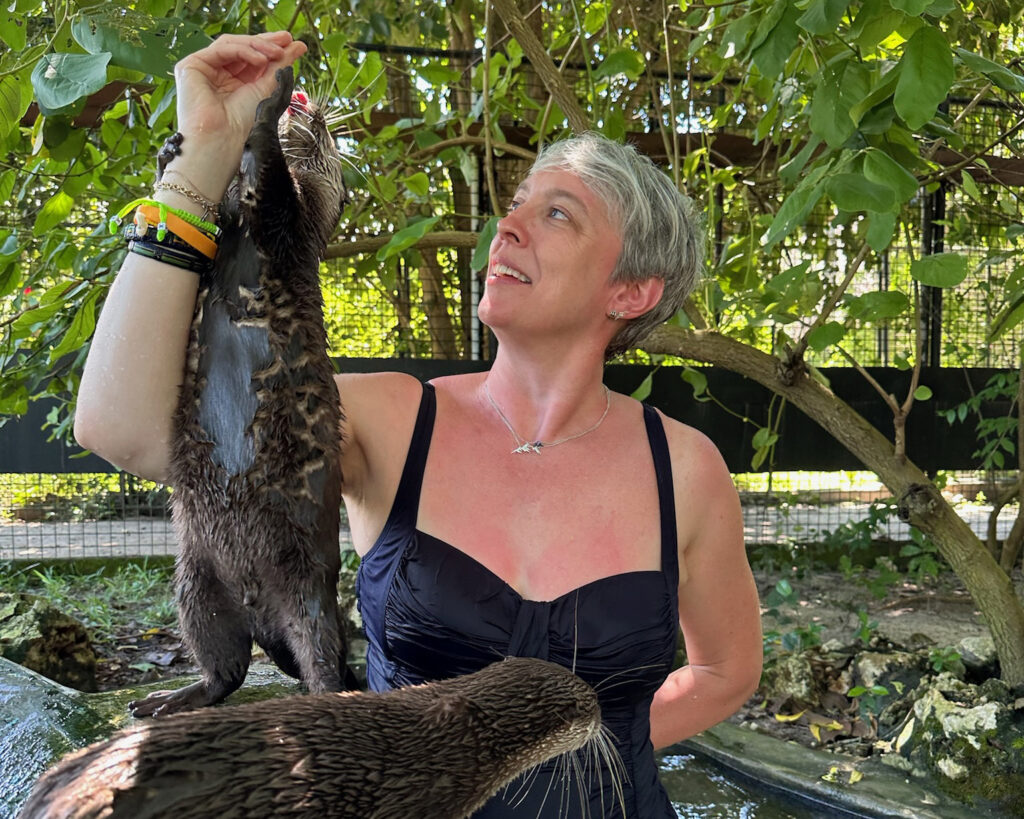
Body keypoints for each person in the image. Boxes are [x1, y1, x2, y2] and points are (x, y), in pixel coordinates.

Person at [74, 31, 763, 818]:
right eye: (513, 209)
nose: (507, 228)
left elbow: (726, 671)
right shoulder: (389, 417)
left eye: (557, 213)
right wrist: (201, 163)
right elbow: (118, 427)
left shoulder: (685, 466)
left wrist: (600, 747)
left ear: (633, 291)